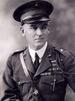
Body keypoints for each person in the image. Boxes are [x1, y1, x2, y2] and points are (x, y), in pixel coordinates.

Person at [1, 0, 75, 101]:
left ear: (48, 29)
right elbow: (8, 97)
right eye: (34, 28)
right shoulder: (14, 61)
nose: (39, 33)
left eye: (43, 27)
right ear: (23, 31)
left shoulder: (64, 59)